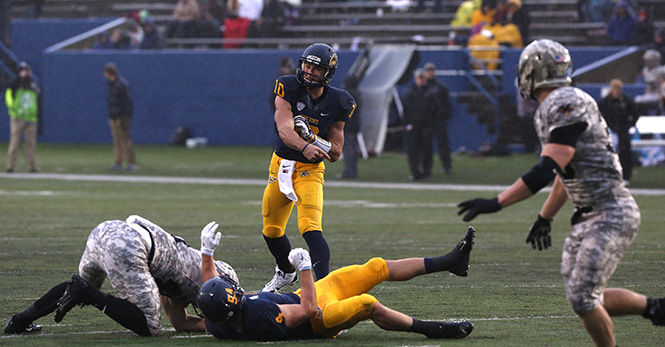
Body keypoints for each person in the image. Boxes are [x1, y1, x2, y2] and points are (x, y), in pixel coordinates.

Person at [457, 39, 665, 347]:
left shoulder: (564, 102)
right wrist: (545, 216)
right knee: (584, 297)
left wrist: (496, 203)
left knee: (583, 297)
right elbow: (564, 172)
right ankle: (655, 308)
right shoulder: (553, 105)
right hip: (589, 214)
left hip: (611, 211)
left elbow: (547, 168)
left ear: (533, 73)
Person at [197, 225, 475, 341]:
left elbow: (211, 295)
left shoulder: (217, 318)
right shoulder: (259, 315)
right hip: (319, 317)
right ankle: (432, 330)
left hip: (303, 296)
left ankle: (450, 262)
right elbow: (307, 309)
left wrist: (206, 253)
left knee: (375, 267)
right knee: (367, 304)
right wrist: (305, 268)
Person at [3, 216, 240, 336]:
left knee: (76, 284)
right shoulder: (208, 279)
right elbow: (211, 295)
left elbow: (179, 322)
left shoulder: (189, 278)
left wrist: (205, 324)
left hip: (105, 231)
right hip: (131, 246)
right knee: (150, 327)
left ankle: (20, 321)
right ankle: (89, 294)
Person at [261, 43, 356, 291]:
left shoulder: (340, 101)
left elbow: (335, 153)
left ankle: (324, 290)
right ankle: (285, 271)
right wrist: (304, 146)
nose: (310, 71)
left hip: (310, 171)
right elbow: (283, 129)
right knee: (271, 230)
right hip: (281, 165)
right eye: (307, 65)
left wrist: (314, 140)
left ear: (328, 73)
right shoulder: (288, 87)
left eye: (316, 68)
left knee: (310, 227)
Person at [598, 79, 638, 183]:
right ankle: (608, 174)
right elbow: (599, 115)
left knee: (625, 153)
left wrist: (629, 125)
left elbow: (635, 113)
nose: (616, 91)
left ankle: (625, 176)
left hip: (623, 131)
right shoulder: (605, 102)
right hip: (609, 131)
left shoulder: (626, 101)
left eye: (618, 88)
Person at [5, 61, 40, 173]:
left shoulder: (33, 84)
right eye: (23, 71)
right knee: (14, 142)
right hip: (17, 117)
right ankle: (10, 166)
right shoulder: (15, 83)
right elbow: (8, 96)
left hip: (30, 118)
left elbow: (36, 101)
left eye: (27, 70)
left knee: (30, 144)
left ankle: (31, 166)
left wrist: (36, 114)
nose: (25, 73)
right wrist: (12, 108)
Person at [103, 62, 137, 172]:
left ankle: (131, 163)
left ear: (108, 73)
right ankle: (119, 162)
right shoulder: (112, 84)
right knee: (117, 141)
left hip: (121, 117)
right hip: (114, 116)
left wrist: (124, 116)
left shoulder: (120, 85)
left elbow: (126, 102)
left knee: (125, 140)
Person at [403, 68, 433, 180]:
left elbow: (434, 109)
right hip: (414, 127)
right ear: (416, 79)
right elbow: (406, 110)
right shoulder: (410, 92)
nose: (421, 80)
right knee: (413, 151)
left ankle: (426, 172)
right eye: (419, 78)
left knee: (426, 151)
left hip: (426, 126)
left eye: (423, 78)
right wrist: (408, 124)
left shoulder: (430, 92)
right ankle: (415, 172)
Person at [424, 62, 452, 175]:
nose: (430, 72)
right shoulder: (423, 87)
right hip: (427, 121)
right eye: (428, 71)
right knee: (426, 146)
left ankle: (447, 167)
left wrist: (444, 114)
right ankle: (427, 168)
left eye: (432, 70)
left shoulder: (440, 87)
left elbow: (447, 103)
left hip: (439, 120)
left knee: (443, 144)